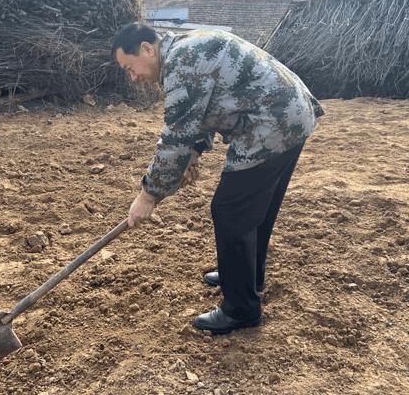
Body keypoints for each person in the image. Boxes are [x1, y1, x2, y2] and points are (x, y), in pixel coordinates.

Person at [112, 22, 324, 335]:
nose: (133, 77)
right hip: (290, 114)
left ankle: (241, 309)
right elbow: (211, 104)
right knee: (253, 209)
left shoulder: (181, 64)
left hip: (271, 125)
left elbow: (175, 139)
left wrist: (148, 195)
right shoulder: (187, 49)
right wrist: (194, 154)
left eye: (130, 68)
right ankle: (248, 279)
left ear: (147, 48)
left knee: (230, 210)